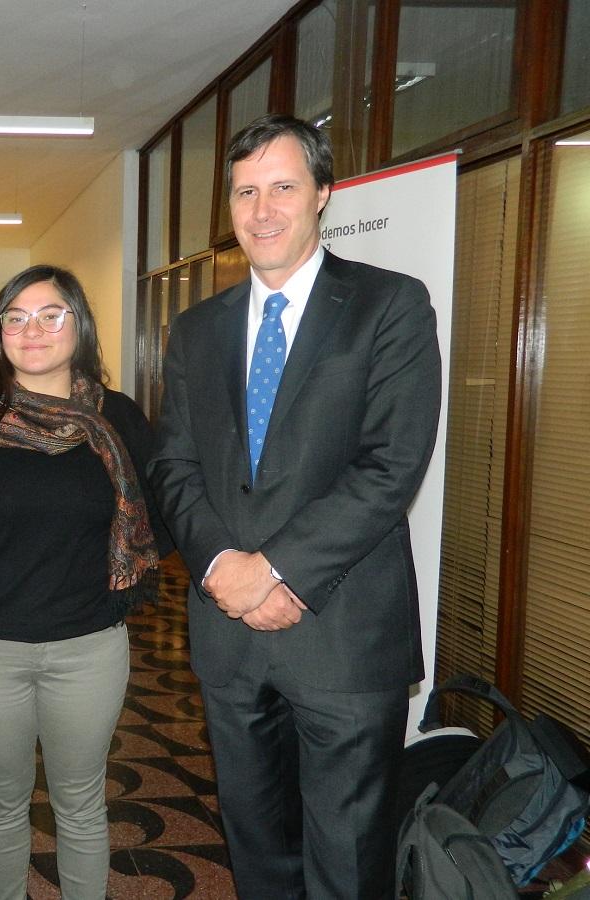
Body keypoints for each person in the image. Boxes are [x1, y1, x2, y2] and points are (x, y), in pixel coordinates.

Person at [149, 114, 442, 899]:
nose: (262, 208)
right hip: (230, 641)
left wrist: (274, 572)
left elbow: (391, 465)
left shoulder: (390, 306)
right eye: (246, 191)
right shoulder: (196, 330)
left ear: (323, 194)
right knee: (258, 856)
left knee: (348, 863)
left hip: (343, 637)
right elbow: (173, 465)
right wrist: (221, 569)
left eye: (282, 186)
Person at [0, 264, 170, 899]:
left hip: (88, 650)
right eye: (16, 318)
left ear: (78, 325)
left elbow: (163, 514)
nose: (34, 331)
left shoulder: (118, 420)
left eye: (51, 314)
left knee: (81, 804)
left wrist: (115, 577)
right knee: (1, 802)